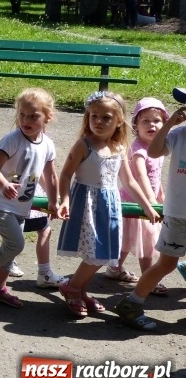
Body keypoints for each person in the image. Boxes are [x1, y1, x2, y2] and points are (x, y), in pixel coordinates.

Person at [57, 91, 160, 318]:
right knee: (96, 254)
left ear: (119, 120)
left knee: (103, 252)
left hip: (109, 206)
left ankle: (80, 290)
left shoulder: (119, 148)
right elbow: (65, 175)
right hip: (86, 204)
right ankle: (73, 287)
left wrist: (147, 205)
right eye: (94, 116)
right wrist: (64, 200)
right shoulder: (84, 145)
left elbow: (129, 181)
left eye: (106, 117)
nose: (99, 122)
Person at [0, 88, 58, 308]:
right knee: (15, 245)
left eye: (33, 116)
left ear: (48, 117)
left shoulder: (47, 144)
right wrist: (5, 184)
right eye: (22, 114)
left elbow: (51, 177)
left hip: (20, 206)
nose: (26, 120)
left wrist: (54, 201)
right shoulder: (12, 140)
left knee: (10, 249)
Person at [114, 104, 186, 330]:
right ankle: (131, 304)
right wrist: (168, 125)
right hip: (179, 214)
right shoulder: (179, 134)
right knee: (166, 263)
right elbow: (154, 151)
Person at [105, 98, 168, 294]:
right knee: (145, 245)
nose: (152, 125)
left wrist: (161, 195)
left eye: (157, 121)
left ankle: (114, 268)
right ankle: (149, 279)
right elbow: (140, 176)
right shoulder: (139, 150)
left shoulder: (159, 149)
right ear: (135, 126)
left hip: (147, 201)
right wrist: (151, 202)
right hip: (135, 203)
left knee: (128, 241)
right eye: (145, 121)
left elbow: (155, 177)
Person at [17, 183, 67, 288]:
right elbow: (49, 176)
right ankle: (44, 274)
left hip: (16, 193)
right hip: (30, 195)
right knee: (44, 230)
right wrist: (53, 197)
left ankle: (7, 263)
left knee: (14, 231)